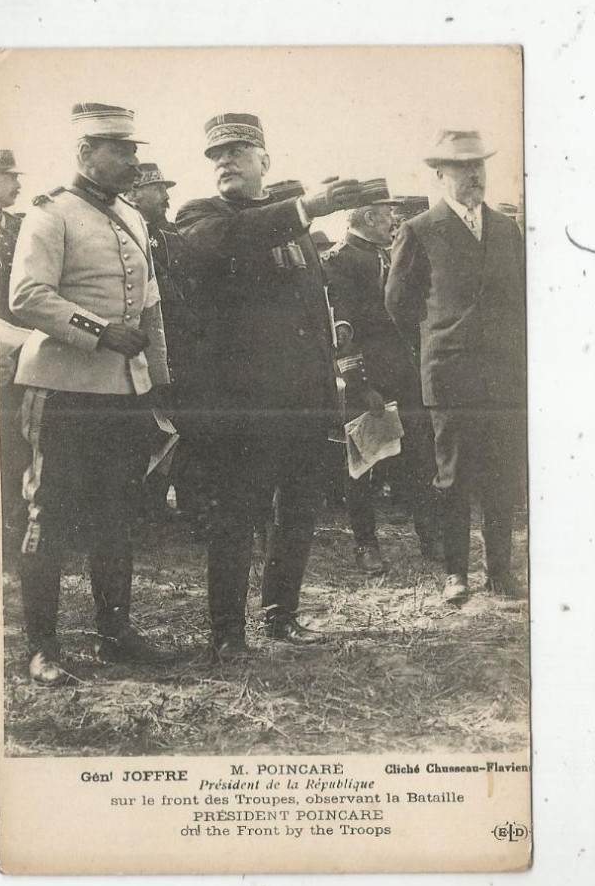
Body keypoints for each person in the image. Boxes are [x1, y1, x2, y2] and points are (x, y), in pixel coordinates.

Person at [176, 111, 376, 658]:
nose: (224, 164)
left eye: (236, 154)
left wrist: (327, 386)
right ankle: (227, 633)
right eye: (216, 156)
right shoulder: (201, 215)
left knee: (297, 512)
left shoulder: (291, 224)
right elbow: (234, 238)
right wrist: (308, 207)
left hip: (304, 399)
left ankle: (281, 616)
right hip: (242, 405)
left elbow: (314, 307)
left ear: (264, 160)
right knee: (238, 516)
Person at [9, 102, 174, 685]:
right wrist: (99, 331)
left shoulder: (131, 216)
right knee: (48, 517)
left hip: (122, 392)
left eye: (133, 150)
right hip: (62, 389)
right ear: (86, 153)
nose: (133, 160)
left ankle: (116, 634)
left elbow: (149, 302)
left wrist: (158, 376)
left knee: (116, 516)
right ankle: (42, 648)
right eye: (120, 150)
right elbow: (26, 295)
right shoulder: (51, 214)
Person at [385, 129, 527, 604]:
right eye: (462, 168)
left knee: (503, 475)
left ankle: (500, 571)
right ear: (440, 174)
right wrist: (436, 344)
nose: (473, 176)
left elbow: (521, 299)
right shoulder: (420, 229)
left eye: (479, 167)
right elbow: (398, 304)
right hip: (450, 374)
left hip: (504, 375)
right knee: (453, 475)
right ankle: (455, 573)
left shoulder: (507, 229)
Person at [322, 180, 440, 575]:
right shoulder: (341, 260)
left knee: (421, 457)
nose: (394, 220)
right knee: (363, 464)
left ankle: (429, 535)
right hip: (369, 381)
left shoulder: (389, 254)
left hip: (406, 375)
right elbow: (341, 330)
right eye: (388, 214)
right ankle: (365, 544)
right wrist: (359, 385)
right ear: (370, 216)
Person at [124, 163, 201, 519]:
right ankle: (141, 504)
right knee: (142, 425)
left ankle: (178, 503)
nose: (166, 197)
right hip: (138, 346)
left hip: (180, 347)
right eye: (158, 189)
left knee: (182, 423)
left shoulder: (173, 238)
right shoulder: (124, 232)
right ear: (135, 193)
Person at [0, 150, 30, 548]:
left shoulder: (19, 227)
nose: (16, 184)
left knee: (20, 434)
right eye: (7, 176)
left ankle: (16, 524)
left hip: (22, 343)